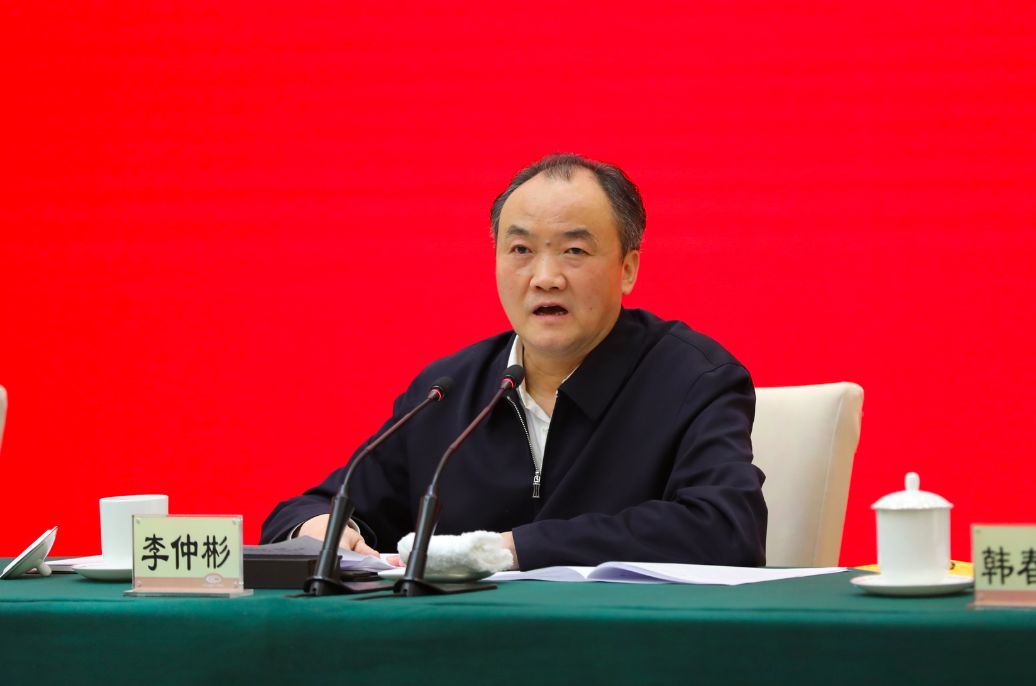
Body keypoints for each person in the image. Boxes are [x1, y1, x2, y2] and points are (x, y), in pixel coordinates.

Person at [261, 153, 767, 569]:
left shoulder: (692, 379)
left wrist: (512, 550)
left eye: (574, 251)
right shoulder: (447, 392)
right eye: (521, 249)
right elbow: (309, 509)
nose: (545, 277)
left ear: (628, 268)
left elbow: (726, 530)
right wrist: (320, 527)